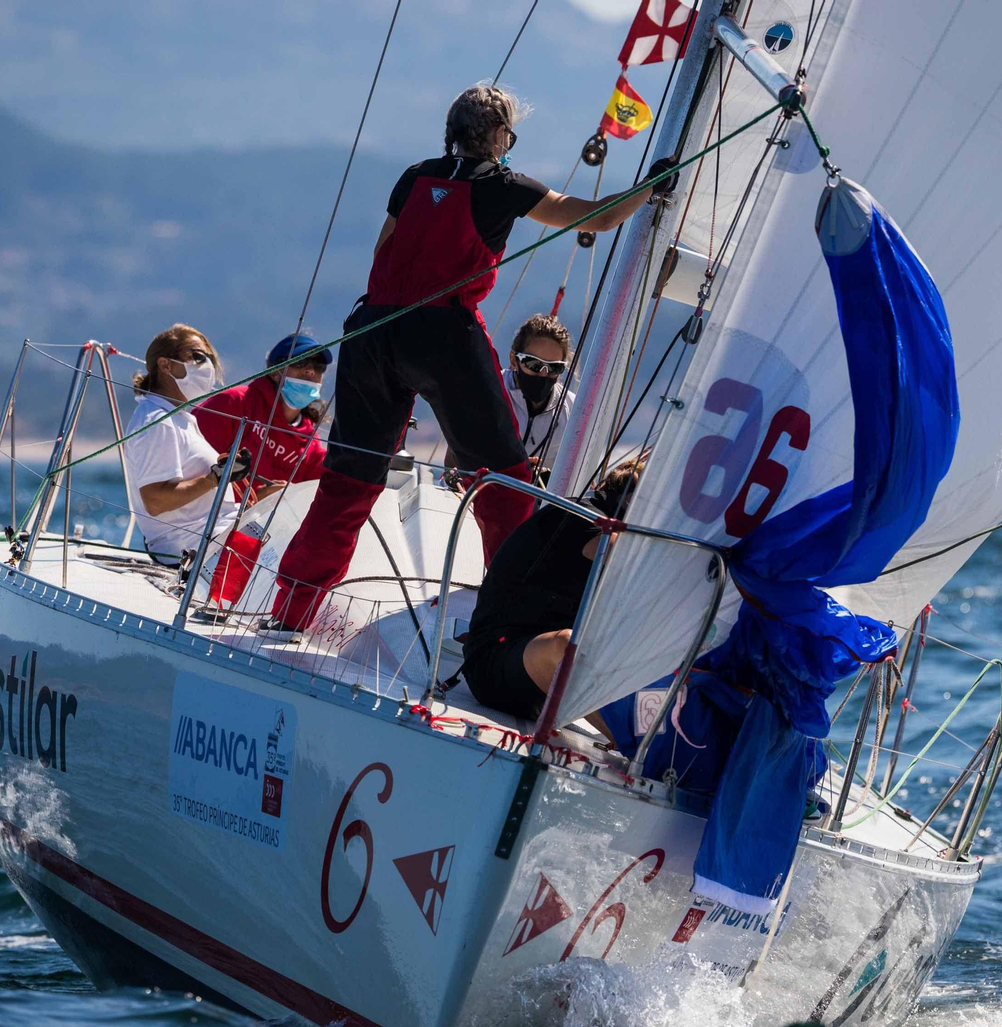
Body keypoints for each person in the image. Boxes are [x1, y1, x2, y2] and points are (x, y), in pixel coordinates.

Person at [268, 82, 679, 632]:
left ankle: (289, 613)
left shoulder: (414, 176)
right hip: (443, 335)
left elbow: (382, 252)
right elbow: (596, 218)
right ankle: (509, 624)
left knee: (348, 481)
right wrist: (650, 188)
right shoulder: (504, 185)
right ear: (500, 135)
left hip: (372, 330)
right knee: (504, 484)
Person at [461, 454, 646, 723]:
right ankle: (640, 749)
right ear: (630, 502)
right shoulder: (581, 517)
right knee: (565, 644)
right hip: (494, 665)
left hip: (540, 681)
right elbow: (620, 553)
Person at [122, 324, 252, 567]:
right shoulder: (157, 421)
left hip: (211, 539)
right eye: (197, 356)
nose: (207, 367)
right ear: (165, 365)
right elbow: (155, 501)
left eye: (210, 359)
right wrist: (215, 478)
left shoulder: (177, 418)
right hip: (190, 551)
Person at [445, 313, 575, 483]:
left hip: (544, 505)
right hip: (480, 495)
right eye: (533, 364)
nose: (543, 374)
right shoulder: (485, 393)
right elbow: (453, 461)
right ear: (514, 360)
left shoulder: (574, 411)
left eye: (554, 368)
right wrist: (509, 468)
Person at [195, 332, 330, 491]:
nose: (311, 371)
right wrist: (255, 502)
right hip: (206, 513)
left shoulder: (311, 446)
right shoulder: (234, 403)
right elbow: (188, 462)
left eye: (319, 366)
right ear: (275, 372)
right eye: (301, 361)